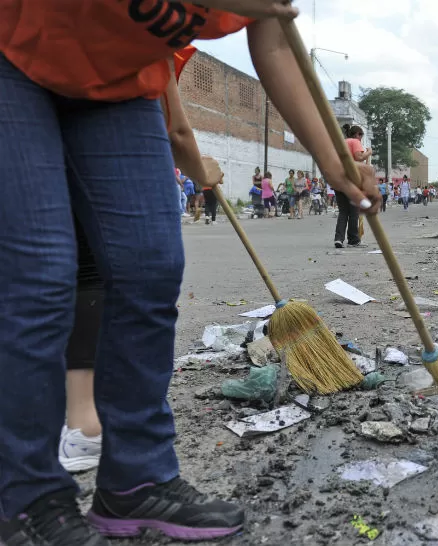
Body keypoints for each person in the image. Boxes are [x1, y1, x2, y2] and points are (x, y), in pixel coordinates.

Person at [0, 5, 382, 545]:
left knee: (150, 266)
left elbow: (275, 42)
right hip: (14, 49)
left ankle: (138, 478)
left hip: (119, 84)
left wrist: (330, 159)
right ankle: (25, 498)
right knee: (39, 277)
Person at [335, 125, 369, 248]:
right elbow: (359, 157)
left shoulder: (341, 142)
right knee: (354, 212)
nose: (360, 139)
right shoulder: (354, 141)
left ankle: (338, 238)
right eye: (361, 136)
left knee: (343, 212)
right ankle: (353, 239)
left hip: (338, 179)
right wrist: (368, 153)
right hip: (351, 180)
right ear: (357, 134)